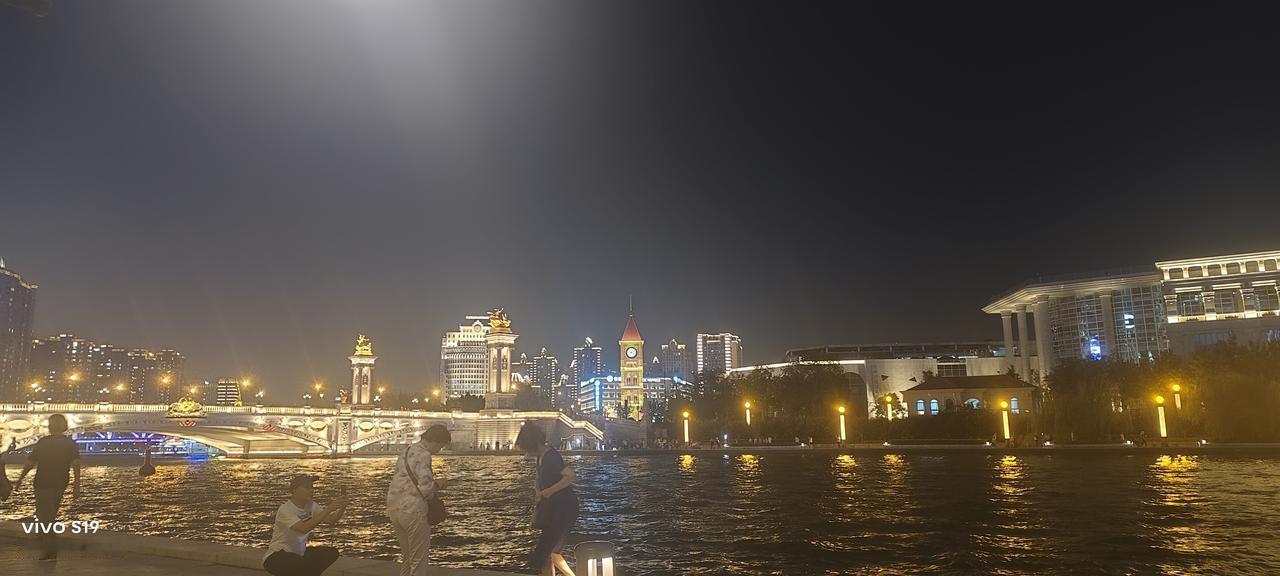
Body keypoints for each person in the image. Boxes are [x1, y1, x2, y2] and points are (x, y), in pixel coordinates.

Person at [386, 424, 450, 576]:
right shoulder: (424, 455)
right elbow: (426, 488)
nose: (439, 450)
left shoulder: (406, 451)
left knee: (407, 557)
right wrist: (440, 484)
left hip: (394, 508)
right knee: (418, 560)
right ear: (434, 440)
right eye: (440, 446)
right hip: (413, 510)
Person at [14, 413, 80, 560]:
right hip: (61, 482)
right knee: (50, 513)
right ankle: (45, 538)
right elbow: (76, 464)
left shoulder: (43, 442)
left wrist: (20, 479)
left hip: (43, 481)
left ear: (50, 426)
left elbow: (30, 463)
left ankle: (50, 548)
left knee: (46, 515)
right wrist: (77, 485)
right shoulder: (70, 443)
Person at [516, 423, 578, 576]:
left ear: (532, 443)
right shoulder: (541, 457)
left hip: (565, 509)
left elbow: (570, 475)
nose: (527, 452)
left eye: (527, 447)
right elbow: (541, 478)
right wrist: (538, 491)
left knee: (544, 553)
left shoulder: (551, 457)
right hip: (555, 509)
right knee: (550, 553)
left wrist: (547, 492)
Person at [262, 474, 347, 576]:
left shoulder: (312, 505)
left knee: (331, 553)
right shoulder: (285, 509)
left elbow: (331, 520)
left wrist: (342, 507)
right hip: (277, 556)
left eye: (312, 487)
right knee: (300, 564)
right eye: (307, 488)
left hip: (299, 555)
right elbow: (303, 528)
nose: (311, 490)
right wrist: (329, 509)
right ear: (294, 490)